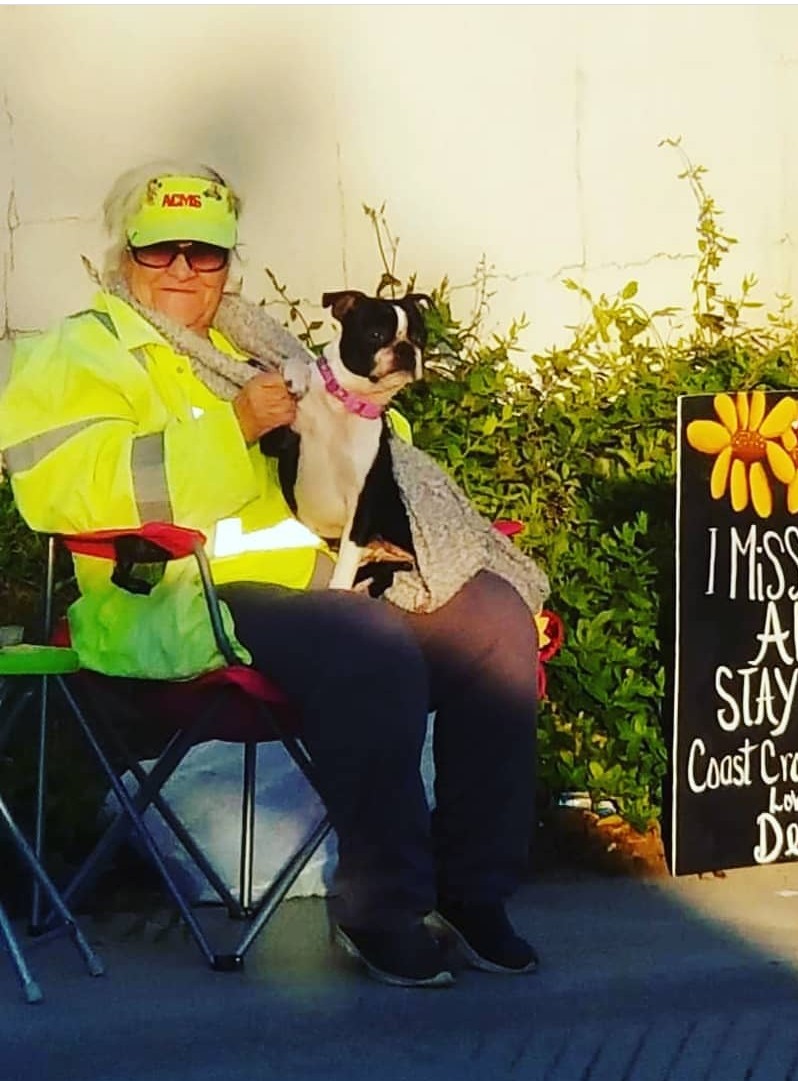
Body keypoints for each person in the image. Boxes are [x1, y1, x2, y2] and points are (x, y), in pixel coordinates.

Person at [0, 160, 550, 989]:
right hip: (174, 598)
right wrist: (230, 429)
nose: (184, 270)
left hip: (312, 579)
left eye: (206, 253)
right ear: (124, 257)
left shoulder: (255, 342)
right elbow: (64, 492)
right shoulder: (78, 351)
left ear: (229, 261)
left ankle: (473, 891)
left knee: (495, 622)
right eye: (161, 252)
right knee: (368, 641)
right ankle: (381, 908)